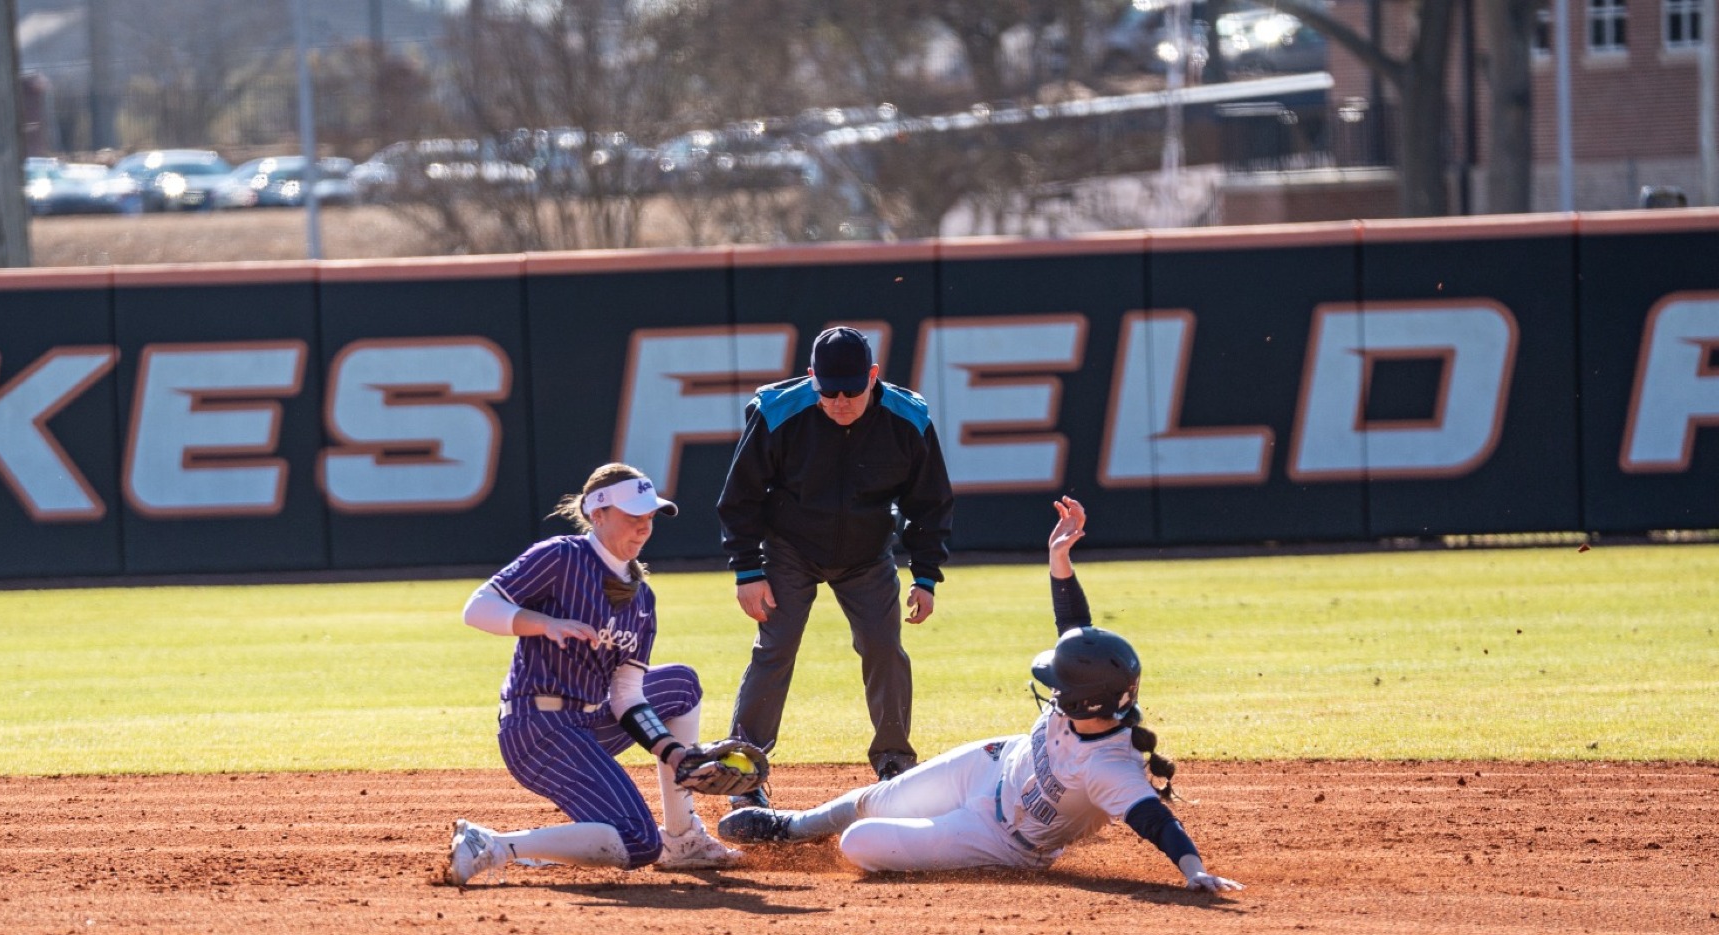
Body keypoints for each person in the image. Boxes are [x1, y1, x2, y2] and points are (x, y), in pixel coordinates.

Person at [716, 497, 1244, 893]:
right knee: (871, 800)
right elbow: (1075, 630)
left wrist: (1194, 871)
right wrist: (1059, 559)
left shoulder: (1110, 768)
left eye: (1058, 685)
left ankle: (872, 833)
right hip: (991, 763)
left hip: (998, 838)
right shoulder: (1102, 698)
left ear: (1085, 703)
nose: (1052, 687)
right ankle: (791, 827)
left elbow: (1155, 820)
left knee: (860, 843)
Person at [441, 463, 740, 886]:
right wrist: (544, 623)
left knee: (680, 684)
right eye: (632, 516)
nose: (643, 527)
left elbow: (628, 696)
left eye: (649, 517)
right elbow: (477, 608)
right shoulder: (562, 557)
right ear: (596, 513)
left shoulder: (642, 599)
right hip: (537, 728)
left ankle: (683, 840)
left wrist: (675, 752)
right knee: (637, 841)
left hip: (587, 723)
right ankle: (493, 845)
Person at [717, 326, 955, 795]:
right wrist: (748, 570)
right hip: (790, 549)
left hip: (867, 556)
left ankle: (894, 765)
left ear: (873, 376)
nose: (841, 401)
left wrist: (924, 576)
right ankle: (744, 771)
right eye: (829, 391)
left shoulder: (909, 419)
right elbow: (739, 498)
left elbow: (930, 503)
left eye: (853, 390)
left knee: (884, 648)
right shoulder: (777, 413)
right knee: (775, 649)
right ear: (811, 378)